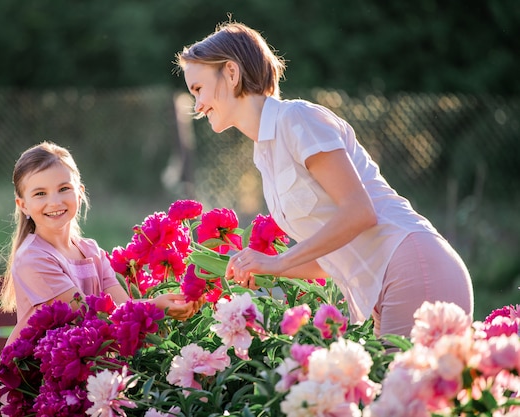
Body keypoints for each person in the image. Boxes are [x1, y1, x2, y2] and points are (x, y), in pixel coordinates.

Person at [174, 21, 474, 338]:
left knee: (404, 388)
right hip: (387, 285)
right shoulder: (266, 153)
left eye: (198, 89)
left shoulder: (296, 119)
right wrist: (265, 266)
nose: (197, 105)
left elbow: (359, 212)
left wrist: (278, 263)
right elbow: (331, 257)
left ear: (231, 73)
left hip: (411, 266)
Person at [0, 141, 200, 345]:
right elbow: (86, 314)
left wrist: (174, 302)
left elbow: (122, 307)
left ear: (79, 192)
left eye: (64, 188)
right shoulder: (33, 258)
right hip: (45, 370)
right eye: (40, 193)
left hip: (92, 362)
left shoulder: (91, 251)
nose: (55, 202)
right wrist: (155, 307)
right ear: (23, 205)